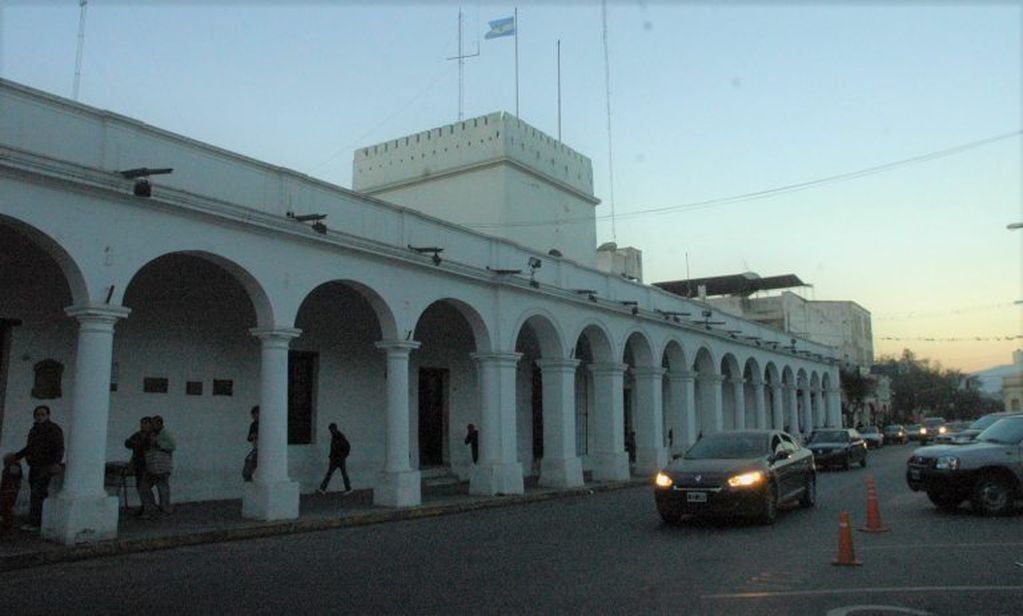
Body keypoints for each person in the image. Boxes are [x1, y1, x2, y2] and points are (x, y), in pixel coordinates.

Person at [11, 405, 64, 531]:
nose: (40, 417)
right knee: (36, 493)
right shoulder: (34, 430)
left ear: (48, 415)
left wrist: (56, 462)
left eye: (42, 414)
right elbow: (30, 447)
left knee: (38, 493)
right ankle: (36, 520)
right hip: (34, 465)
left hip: (46, 466)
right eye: (37, 415)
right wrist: (17, 456)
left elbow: (59, 447)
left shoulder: (53, 429)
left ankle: (36, 522)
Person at [124, 417, 157, 517]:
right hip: (139, 464)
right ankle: (146, 507)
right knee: (141, 486)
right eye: (142, 424)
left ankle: (149, 509)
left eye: (145, 424)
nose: (143, 426)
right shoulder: (139, 434)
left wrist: (136, 444)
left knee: (144, 487)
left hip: (149, 464)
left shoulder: (152, 436)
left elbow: (147, 446)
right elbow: (128, 443)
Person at [145, 415, 175, 515]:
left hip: (162, 467)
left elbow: (172, 446)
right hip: (154, 466)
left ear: (159, 423)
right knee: (155, 486)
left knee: (162, 488)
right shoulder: (155, 434)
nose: (152, 426)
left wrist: (158, 443)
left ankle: (165, 509)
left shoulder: (165, 434)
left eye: (153, 424)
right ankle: (157, 507)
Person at [317, 423, 351, 494]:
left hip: (338, 458)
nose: (331, 431)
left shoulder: (340, 437)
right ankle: (322, 488)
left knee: (339, 474)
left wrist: (343, 456)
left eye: (331, 430)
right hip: (336, 458)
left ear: (334, 429)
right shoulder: (336, 436)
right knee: (338, 474)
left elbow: (347, 446)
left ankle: (323, 489)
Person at [1, 453, 23, 535]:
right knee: (6, 509)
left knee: (6, 509)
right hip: (10, 491)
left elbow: (8, 481)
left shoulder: (13, 468)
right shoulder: (14, 468)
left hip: (9, 491)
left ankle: (7, 527)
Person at [243, 406, 259, 482]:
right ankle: (248, 478)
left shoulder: (266, 424)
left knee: (252, 461)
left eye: (256, 414)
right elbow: (249, 438)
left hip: (261, 449)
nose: (254, 417)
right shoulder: (253, 425)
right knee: (248, 460)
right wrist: (253, 436)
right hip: (256, 448)